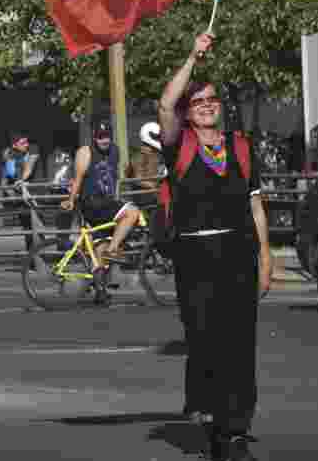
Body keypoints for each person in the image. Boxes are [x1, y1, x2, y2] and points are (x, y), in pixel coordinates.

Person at [158, 32, 271, 461]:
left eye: (212, 101)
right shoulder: (180, 145)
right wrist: (192, 56)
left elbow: (255, 204)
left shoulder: (240, 147)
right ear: (189, 113)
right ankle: (209, 415)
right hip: (196, 258)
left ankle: (234, 431)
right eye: (198, 101)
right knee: (206, 342)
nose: (207, 106)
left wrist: (265, 257)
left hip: (239, 256)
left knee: (241, 345)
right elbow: (165, 105)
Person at [60, 118, 143, 303]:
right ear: (94, 137)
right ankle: (114, 249)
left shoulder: (115, 151)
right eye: (99, 137)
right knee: (132, 212)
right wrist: (71, 200)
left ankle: (100, 291)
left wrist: (117, 199)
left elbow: (114, 178)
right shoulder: (85, 152)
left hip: (106, 203)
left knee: (100, 248)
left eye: (106, 137)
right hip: (92, 203)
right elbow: (78, 179)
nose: (103, 140)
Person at [127, 121, 165, 193]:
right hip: (143, 196)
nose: (158, 139)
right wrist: (155, 186)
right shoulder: (140, 156)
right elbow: (138, 180)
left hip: (153, 194)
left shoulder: (155, 154)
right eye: (156, 137)